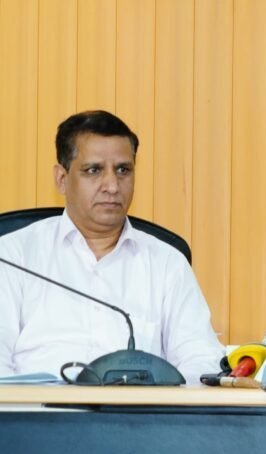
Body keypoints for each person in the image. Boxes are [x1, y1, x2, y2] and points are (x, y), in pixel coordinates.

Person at [0, 110, 223, 384]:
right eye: (93, 170)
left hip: (138, 411)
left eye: (123, 170)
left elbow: (201, 360)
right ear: (61, 179)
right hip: (36, 410)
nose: (112, 186)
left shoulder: (167, 263)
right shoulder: (12, 256)